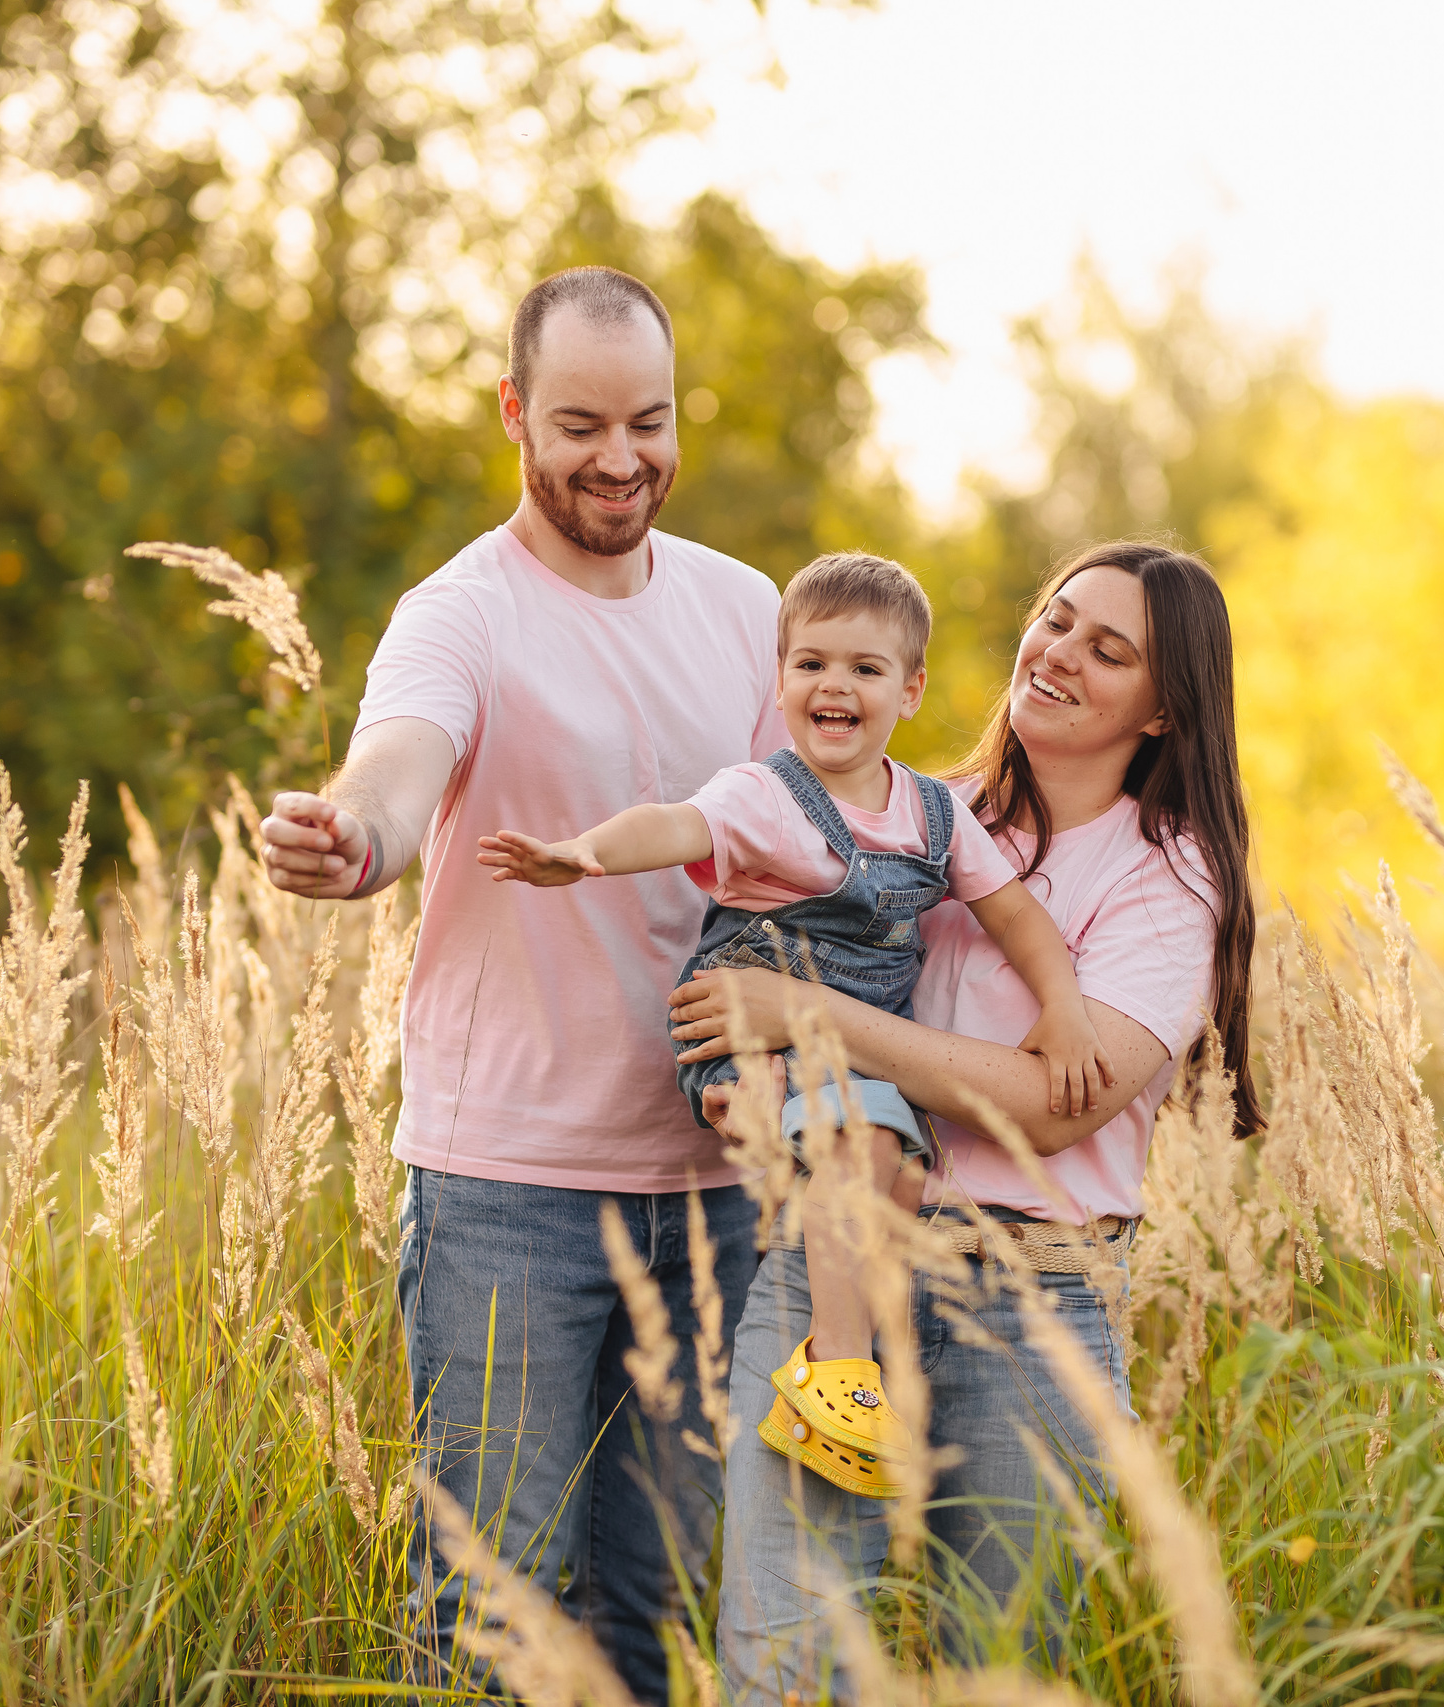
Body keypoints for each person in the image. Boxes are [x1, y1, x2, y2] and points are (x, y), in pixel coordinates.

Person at [256, 266, 780, 1702]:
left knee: (662, 1611)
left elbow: (811, 843)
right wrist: (351, 836)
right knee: (496, 1601)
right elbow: (396, 770)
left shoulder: (749, 612)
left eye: (651, 421)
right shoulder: (462, 613)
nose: (622, 459)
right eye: (581, 424)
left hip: (712, 1186)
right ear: (514, 416)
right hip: (508, 1192)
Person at [668, 542, 1262, 1702]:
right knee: (786, 1669)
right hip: (832, 1275)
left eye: (1109, 650)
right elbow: (749, 954)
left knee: (999, 1676)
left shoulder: (1168, 879)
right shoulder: (910, 812)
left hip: (1030, 1313)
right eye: (1055, 622)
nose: (1059, 657)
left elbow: (1048, 1106)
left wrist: (814, 1013)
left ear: (1162, 707)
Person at [474, 550, 1112, 1502]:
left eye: (864, 667)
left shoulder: (936, 813)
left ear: (911, 686)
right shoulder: (764, 795)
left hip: (848, 1047)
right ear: (780, 682)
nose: (834, 685)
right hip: (747, 1029)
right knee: (854, 1143)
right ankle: (844, 1372)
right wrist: (582, 854)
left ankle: (842, 1359)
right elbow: (671, 825)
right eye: (811, 663)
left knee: (896, 1167)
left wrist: (1062, 1009)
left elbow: (1016, 916)